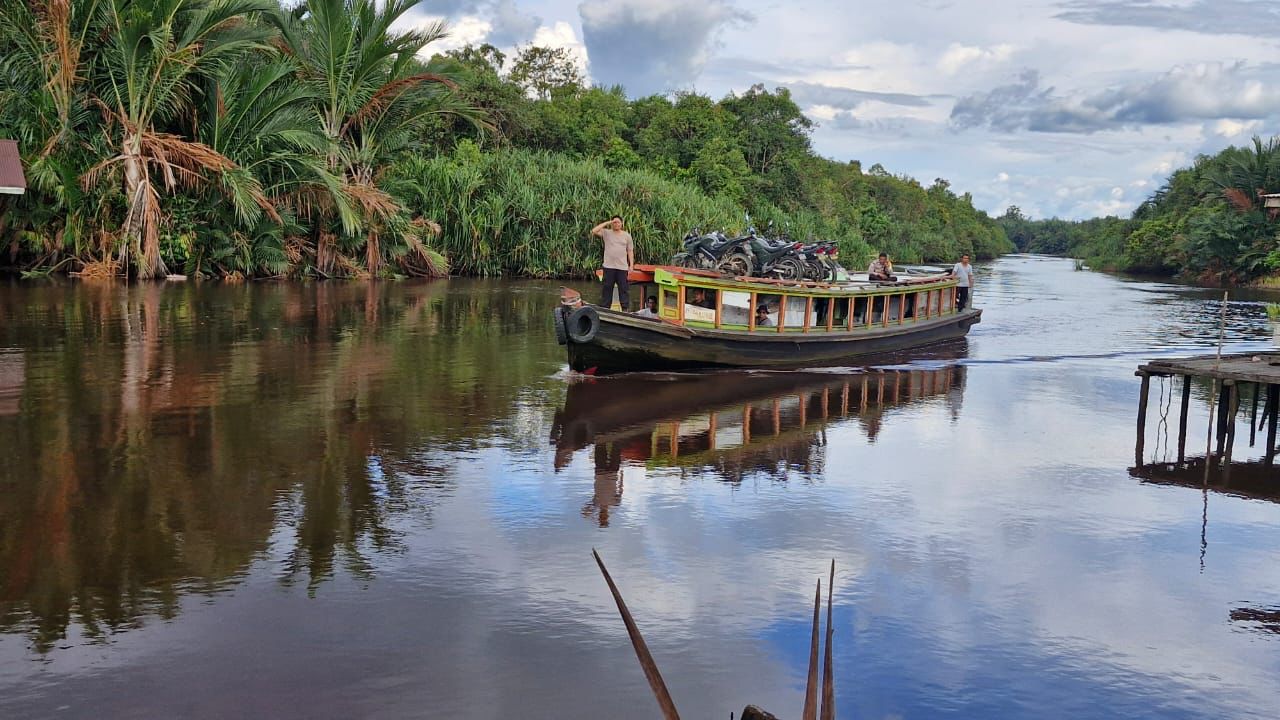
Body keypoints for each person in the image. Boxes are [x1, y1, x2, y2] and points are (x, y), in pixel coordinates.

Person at [592, 215, 634, 309]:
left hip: (622, 267)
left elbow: (630, 251)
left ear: (622, 223)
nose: (616, 224)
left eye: (618, 222)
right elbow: (594, 230)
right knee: (607, 288)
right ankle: (606, 308)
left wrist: (631, 265)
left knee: (623, 289)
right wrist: (608, 222)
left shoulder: (627, 236)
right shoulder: (606, 233)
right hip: (609, 266)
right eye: (614, 222)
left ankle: (625, 308)